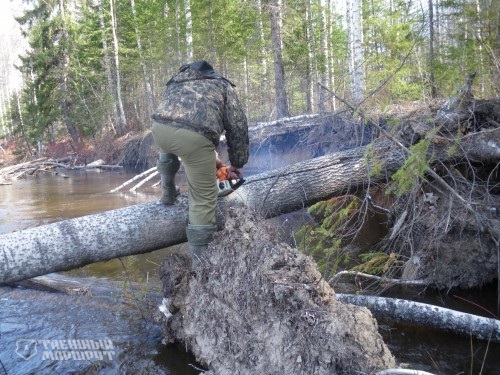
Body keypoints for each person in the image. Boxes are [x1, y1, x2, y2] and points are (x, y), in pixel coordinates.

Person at [151, 60, 249, 267]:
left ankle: (168, 193)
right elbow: (237, 127)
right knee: (202, 199)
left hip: (159, 130)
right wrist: (238, 164)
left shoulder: (175, 83)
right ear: (211, 73)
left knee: (169, 142)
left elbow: (176, 123)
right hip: (194, 139)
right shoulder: (221, 85)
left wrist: (212, 159)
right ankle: (200, 267)